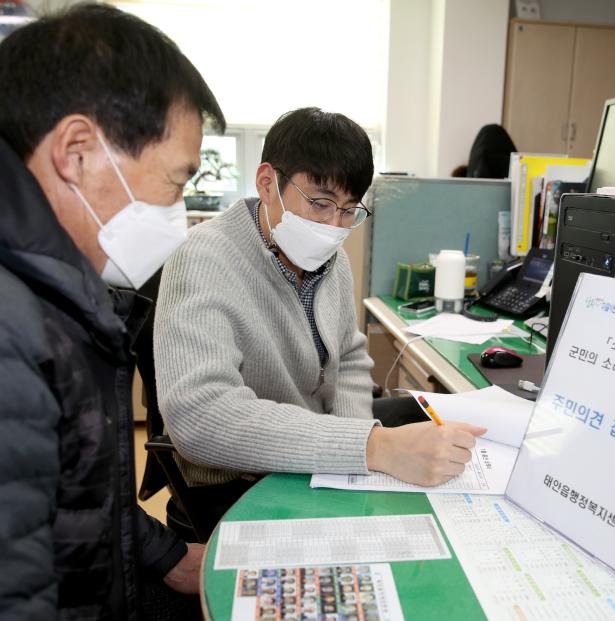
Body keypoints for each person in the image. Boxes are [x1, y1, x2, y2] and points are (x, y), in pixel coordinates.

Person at [0, 4, 223, 618]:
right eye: (176, 183)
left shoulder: (26, 280)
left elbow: (63, 490)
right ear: (76, 152)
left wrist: (164, 555)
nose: (176, 215)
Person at [153, 107, 485, 527]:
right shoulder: (204, 259)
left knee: (441, 433)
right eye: (321, 203)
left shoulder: (330, 258)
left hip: (313, 453)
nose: (334, 225)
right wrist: (372, 448)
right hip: (239, 478)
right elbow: (199, 416)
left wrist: (353, 458)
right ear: (267, 182)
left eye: (349, 211)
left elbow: (348, 355)